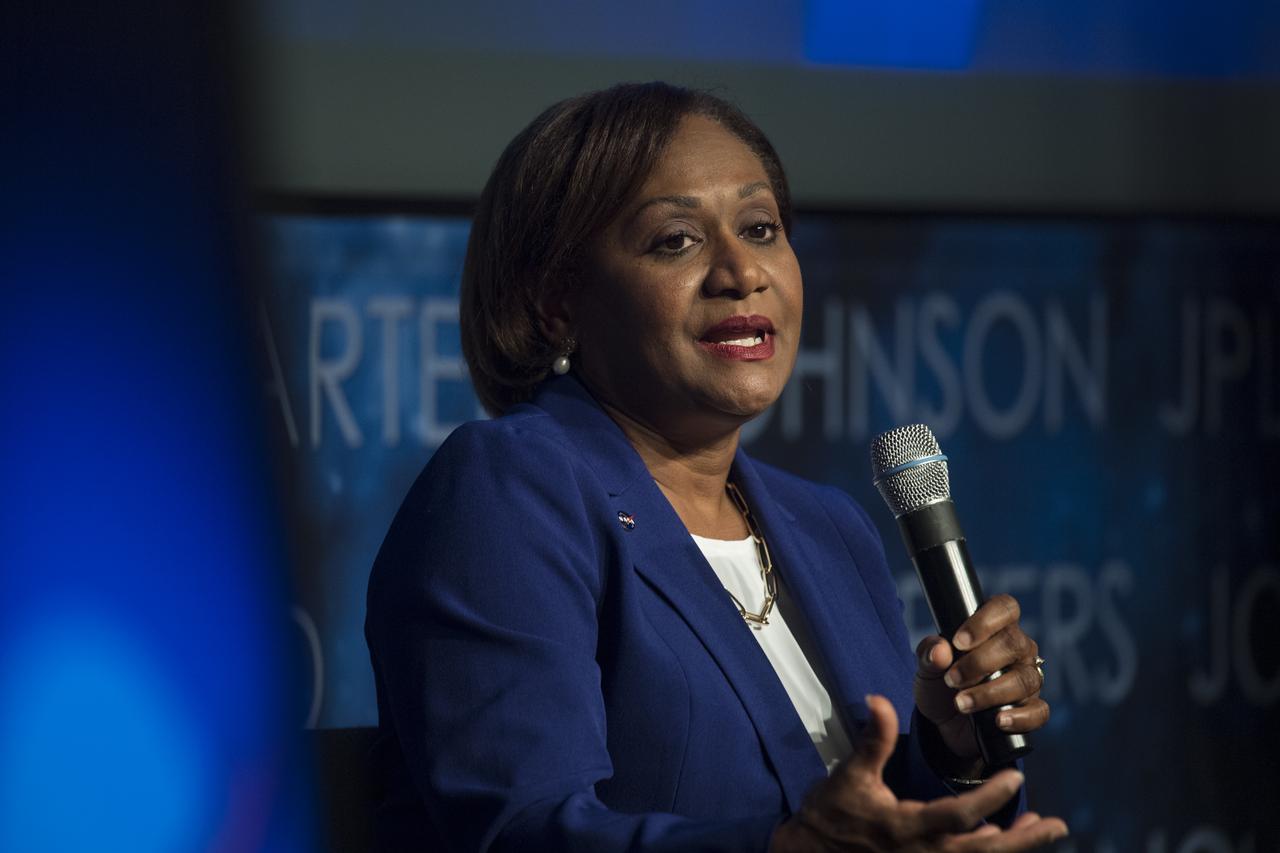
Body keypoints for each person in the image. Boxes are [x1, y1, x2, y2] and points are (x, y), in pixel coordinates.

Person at [365, 82, 1067, 852]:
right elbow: (520, 831)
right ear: (554, 305)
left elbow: (872, 817)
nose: (742, 271)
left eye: (761, 228)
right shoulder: (509, 489)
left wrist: (951, 750)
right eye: (676, 240)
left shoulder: (830, 528)